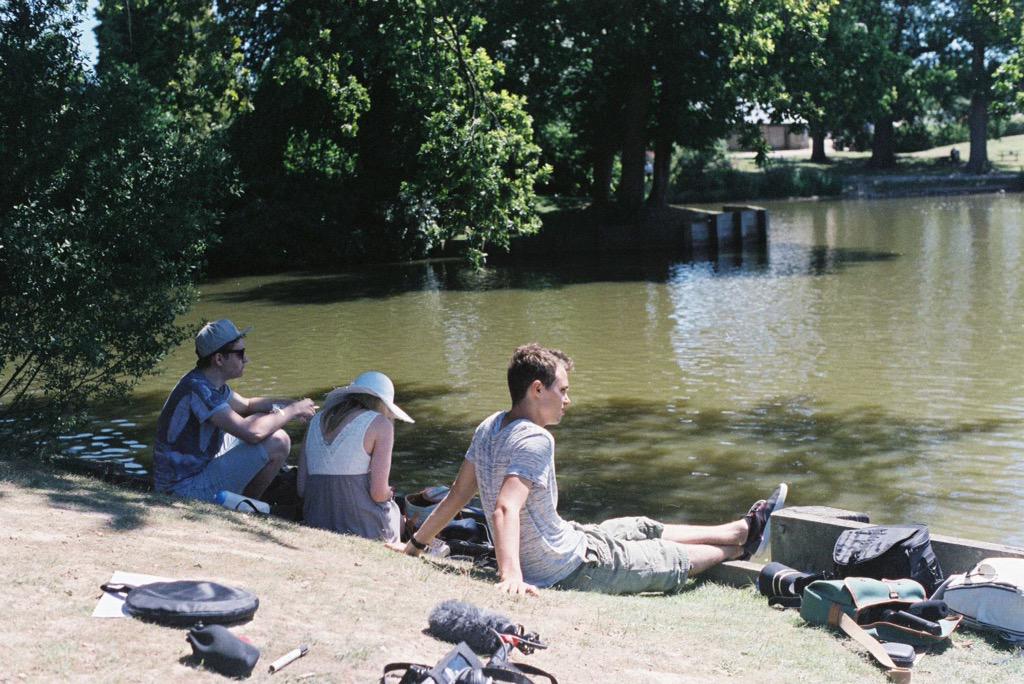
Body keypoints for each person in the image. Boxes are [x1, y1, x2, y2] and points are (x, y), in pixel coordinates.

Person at [392, 343, 787, 596]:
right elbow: (504, 508)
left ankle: (739, 530)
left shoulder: (490, 425)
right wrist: (510, 576)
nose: (568, 400)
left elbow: (459, 495)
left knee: (639, 525)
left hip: (568, 539)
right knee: (667, 558)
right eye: (562, 391)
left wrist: (416, 546)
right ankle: (738, 547)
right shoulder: (535, 440)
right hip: (567, 568)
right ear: (537, 389)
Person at [153, 319, 316, 502]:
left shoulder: (208, 382)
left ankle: (241, 501)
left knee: (261, 418)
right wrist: (293, 411)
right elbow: (252, 433)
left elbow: (247, 405)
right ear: (219, 359)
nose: (246, 359)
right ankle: (244, 507)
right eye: (240, 354)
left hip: (197, 470)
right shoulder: (200, 390)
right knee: (278, 441)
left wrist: (292, 404)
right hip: (181, 490)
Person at [297, 371, 413, 542]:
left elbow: (301, 489)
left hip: (317, 519)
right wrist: (390, 493)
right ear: (384, 404)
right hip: (363, 528)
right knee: (395, 511)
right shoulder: (381, 424)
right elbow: (378, 494)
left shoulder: (316, 421)